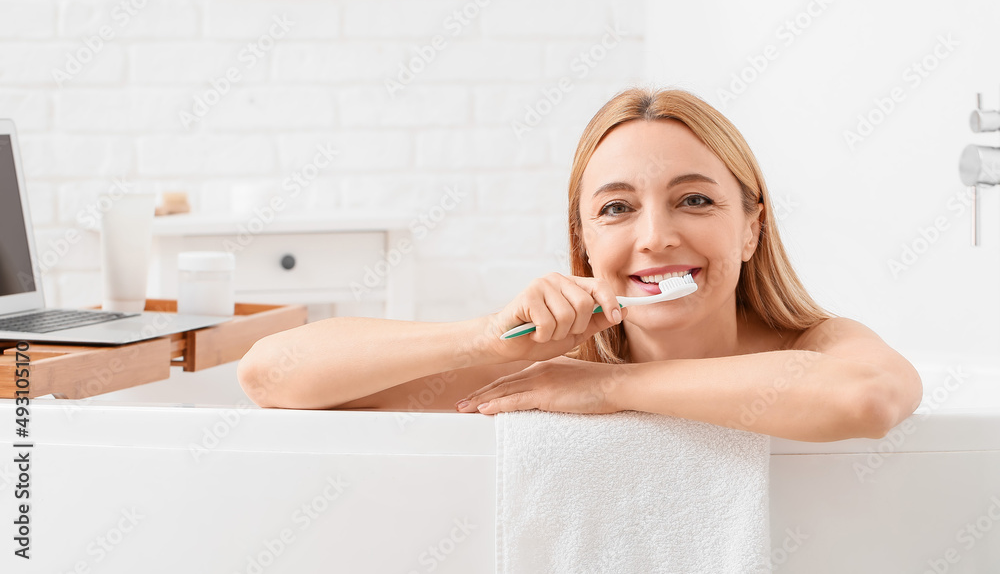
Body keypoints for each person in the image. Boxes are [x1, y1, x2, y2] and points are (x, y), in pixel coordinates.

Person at [237, 87, 923, 443]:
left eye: (693, 199)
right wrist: (481, 339)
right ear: (584, 241)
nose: (656, 238)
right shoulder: (550, 370)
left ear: (750, 228)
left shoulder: (821, 346)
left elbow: (864, 399)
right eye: (618, 209)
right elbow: (268, 372)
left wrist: (610, 392)